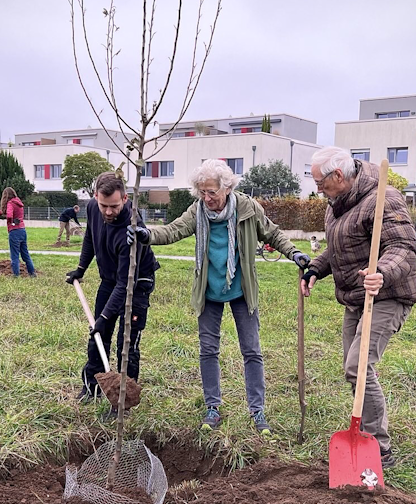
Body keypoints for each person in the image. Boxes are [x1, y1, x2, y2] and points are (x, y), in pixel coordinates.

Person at [128, 159, 311, 436]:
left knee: (252, 350)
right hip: (209, 291)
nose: (206, 197)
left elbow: (272, 232)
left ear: (227, 188)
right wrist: (147, 234)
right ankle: (212, 406)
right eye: (202, 192)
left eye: (211, 191)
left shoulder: (247, 208)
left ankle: (257, 410)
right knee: (208, 350)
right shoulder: (197, 211)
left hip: (241, 289)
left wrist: (294, 253)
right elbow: (174, 229)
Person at [300, 146, 416, 469]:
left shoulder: (384, 198)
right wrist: (315, 269)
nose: (318, 191)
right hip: (356, 298)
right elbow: (338, 248)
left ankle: (379, 447)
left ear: (338, 175)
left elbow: (405, 248)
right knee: (355, 370)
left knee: (358, 366)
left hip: (388, 295)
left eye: (320, 184)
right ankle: (366, 430)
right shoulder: (336, 204)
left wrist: (380, 272)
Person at [65, 173, 159, 418]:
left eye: (114, 206)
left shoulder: (133, 230)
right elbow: (89, 238)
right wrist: (81, 269)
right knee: (98, 335)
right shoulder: (94, 210)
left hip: (136, 284)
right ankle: (92, 386)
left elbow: (124, 283)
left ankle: (122, 402)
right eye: (103, 205)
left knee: (125, 344)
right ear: (95, 197)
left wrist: (105, 316)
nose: (108, 212)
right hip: (109, 280)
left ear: (125, 199)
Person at [0, 187, 36, 277]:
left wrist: (11, 222)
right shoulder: (18, 202)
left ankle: (16, 275)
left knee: (14, 255)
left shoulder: (10, 203)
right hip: (22, 230)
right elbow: (5, 211)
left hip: (14, 231)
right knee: (25, 255)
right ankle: (32, 274)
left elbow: (9, 215)